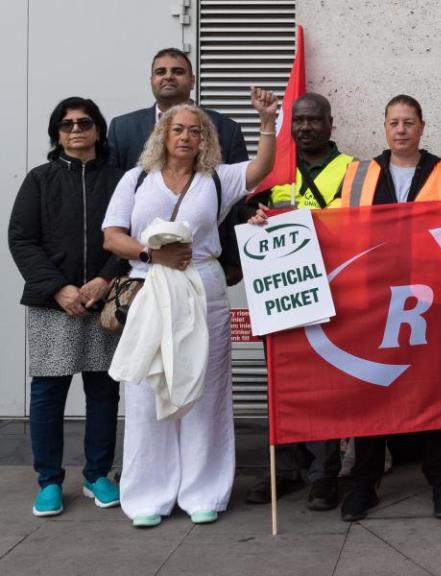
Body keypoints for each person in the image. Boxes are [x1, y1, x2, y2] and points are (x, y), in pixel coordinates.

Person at [102, 87, 278, 528]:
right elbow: (112, 235)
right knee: (146, 391)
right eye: (177, 129)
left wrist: (267, 121)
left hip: (204, 289)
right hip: (149, 289)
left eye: (194, 131)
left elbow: (263, 166)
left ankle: (205, 491)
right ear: (162, 134)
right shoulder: (135, 179)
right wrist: (149, 254)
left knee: (205, 388)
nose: (185, 136)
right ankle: (148, 496)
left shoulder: (217, 178)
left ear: (205, 140)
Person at [310, 94, 441, 521]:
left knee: (435, 392)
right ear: (384, 127)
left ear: (422, 126)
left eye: (408, 122)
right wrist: (273, 220)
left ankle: (440, 481)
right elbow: (326, 222)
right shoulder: (358, 175)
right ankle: (365, 483)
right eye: (393, 122)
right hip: (373, 301)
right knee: (371, 392)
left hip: (432, 302)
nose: (401, 130)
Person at [9, 97, 124, 517]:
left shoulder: (119, 180)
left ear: (98, 130)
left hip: (103, 302)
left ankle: (98, 475)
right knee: (47, 393)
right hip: (52, 304)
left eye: (84, 122)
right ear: (56, 134)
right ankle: (49, 482)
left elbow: (132, 234)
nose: (76, 130)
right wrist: (59, 288)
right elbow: (21, 238)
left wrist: (103, 279)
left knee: (103, 391)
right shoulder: (40, 179)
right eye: (66, 124)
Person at [244, 93, 353, 511]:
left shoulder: (352, 170)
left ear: (331, 123)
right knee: (281, 381)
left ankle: (324, 475)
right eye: (299, 120)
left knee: (325, 385)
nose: (305, 127)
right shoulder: (274, 170)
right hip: (280, 289)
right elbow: (245, 218)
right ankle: (284, 468)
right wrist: (253, 221)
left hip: (332, 289)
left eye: (314, 120)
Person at [108, 47, 249, 285]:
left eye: (178, 72)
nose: (168, 76)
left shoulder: (225, 128)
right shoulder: (123, 128)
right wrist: (116, 265)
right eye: (160, 72)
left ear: (192, 80)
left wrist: (234, 261)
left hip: (204, 266)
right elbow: (114, 205)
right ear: (151, 80)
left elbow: (237, 201)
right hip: (139, 267)